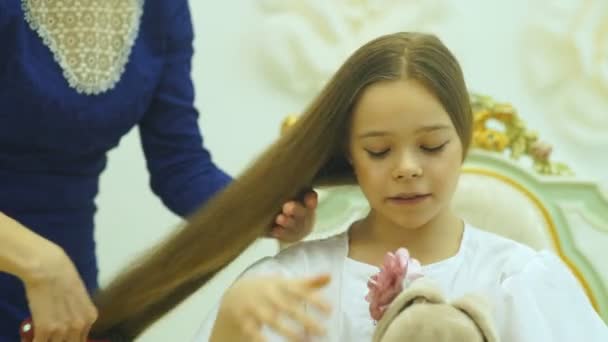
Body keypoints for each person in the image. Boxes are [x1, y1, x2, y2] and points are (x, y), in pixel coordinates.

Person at [186, 32, 607, 341]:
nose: (407, 168)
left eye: (431, 145)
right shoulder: (294, 283)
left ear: (463, 140)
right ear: (350, 154)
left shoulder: (517, 282)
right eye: (379, 150)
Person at [0, 1, 316, 341]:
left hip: (67, 285)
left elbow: (180, 167)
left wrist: (267, 211)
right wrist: (40, 263)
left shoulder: (163, 10)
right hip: (38, 265)